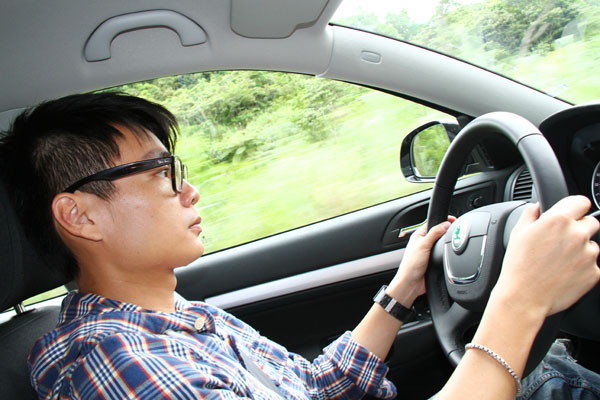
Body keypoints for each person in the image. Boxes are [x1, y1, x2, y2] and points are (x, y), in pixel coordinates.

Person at [0, 92, 597, 400]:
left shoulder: (174, 318)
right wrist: (522, 299)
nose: (189, 189)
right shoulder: (119, 365)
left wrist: (401, 290)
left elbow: (313, 386)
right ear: (80, 215)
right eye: (161, 173)